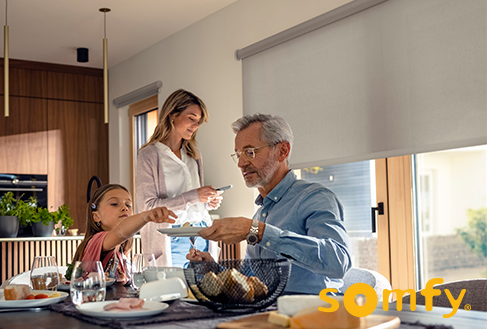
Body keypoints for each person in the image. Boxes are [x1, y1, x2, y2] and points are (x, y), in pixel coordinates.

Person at [188, 114, 352, 295]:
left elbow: (338, 262)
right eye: (238, 154)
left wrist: (259, 232)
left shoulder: (315, 198)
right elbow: (250, 281)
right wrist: (212, 268)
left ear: (282, 151)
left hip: (311, 314)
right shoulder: (259, 215)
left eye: (250, 152)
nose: (241, 163)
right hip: (266, 315)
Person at [136, 89, 223, 267]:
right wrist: (194, 196)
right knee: (174, 293)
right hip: (171, 239)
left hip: (202, 234)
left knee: (205, 292)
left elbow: (193, 202)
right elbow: (148, 207)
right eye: (191, 118)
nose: (195, 125)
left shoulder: (194, 154)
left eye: (198, 121)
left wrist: (207, 202)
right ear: (172, 115)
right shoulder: (149, 155)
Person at [71, 184, 177, 283]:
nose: (125, 208)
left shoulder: (120, 251)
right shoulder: (96, 240)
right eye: (114, 204)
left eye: (128, 205)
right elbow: (121, 232)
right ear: (96, 216)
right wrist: (146, 216)